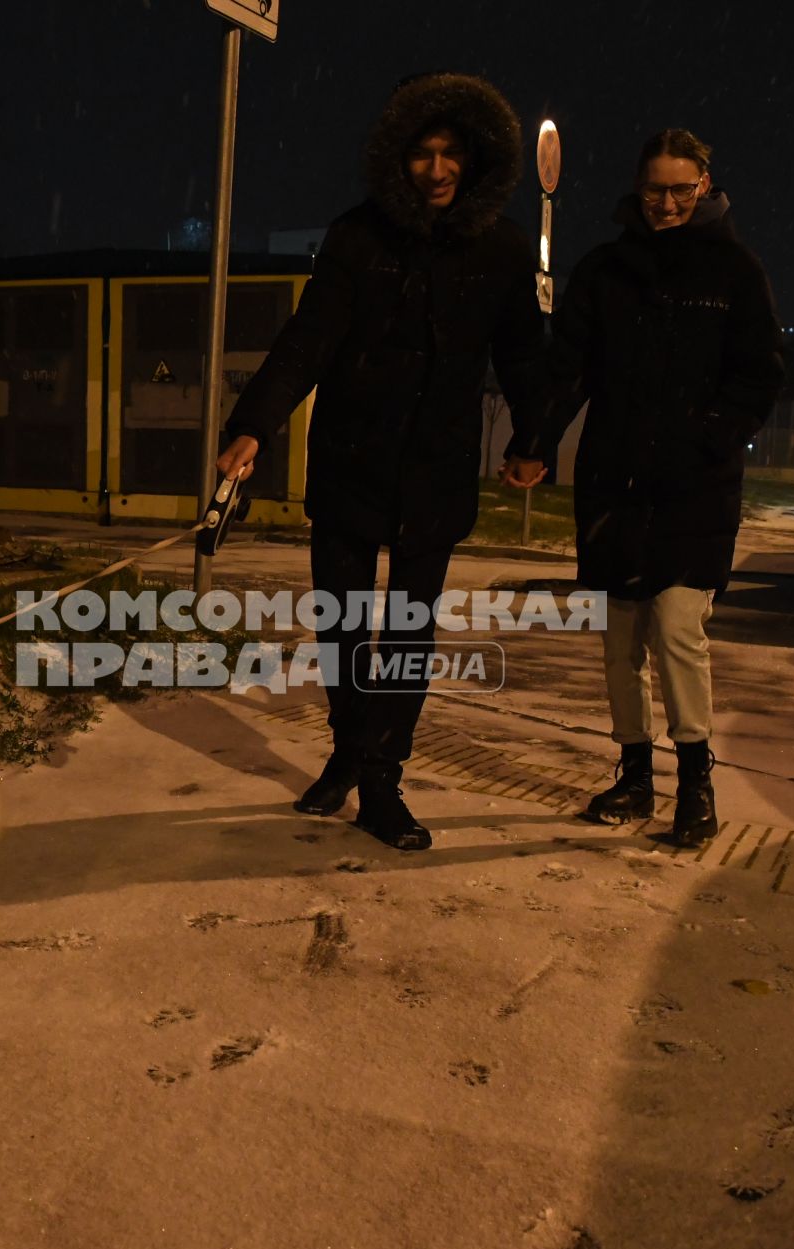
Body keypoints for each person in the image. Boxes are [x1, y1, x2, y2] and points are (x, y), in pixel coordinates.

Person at [215, 72, 550, 851]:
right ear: (397, 160)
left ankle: (382, 779)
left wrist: (531, 441)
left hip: (436, 467)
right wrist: (255, 426)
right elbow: (308, 340)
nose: (436, 171)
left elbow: (525, 356)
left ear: (475, 159)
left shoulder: (500, 245)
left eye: (451, 154)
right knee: (341, 623)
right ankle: (347, 750)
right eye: (421, 154)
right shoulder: (357, 236)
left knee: (405, 632)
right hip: (349, 459)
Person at [502, 127, 784, 848]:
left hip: (696, 487)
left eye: (680, 190)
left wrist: (711, 438)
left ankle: (696, 783)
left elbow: (759, 375)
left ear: (705, 188)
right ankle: (634, 775)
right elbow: (569, 367)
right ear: (638, 188)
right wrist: (533, 442)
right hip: (615, 482)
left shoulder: (735, 273)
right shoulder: (606, 270)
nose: (665, 203)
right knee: (620, 635)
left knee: (679, 628)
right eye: (655, 189)